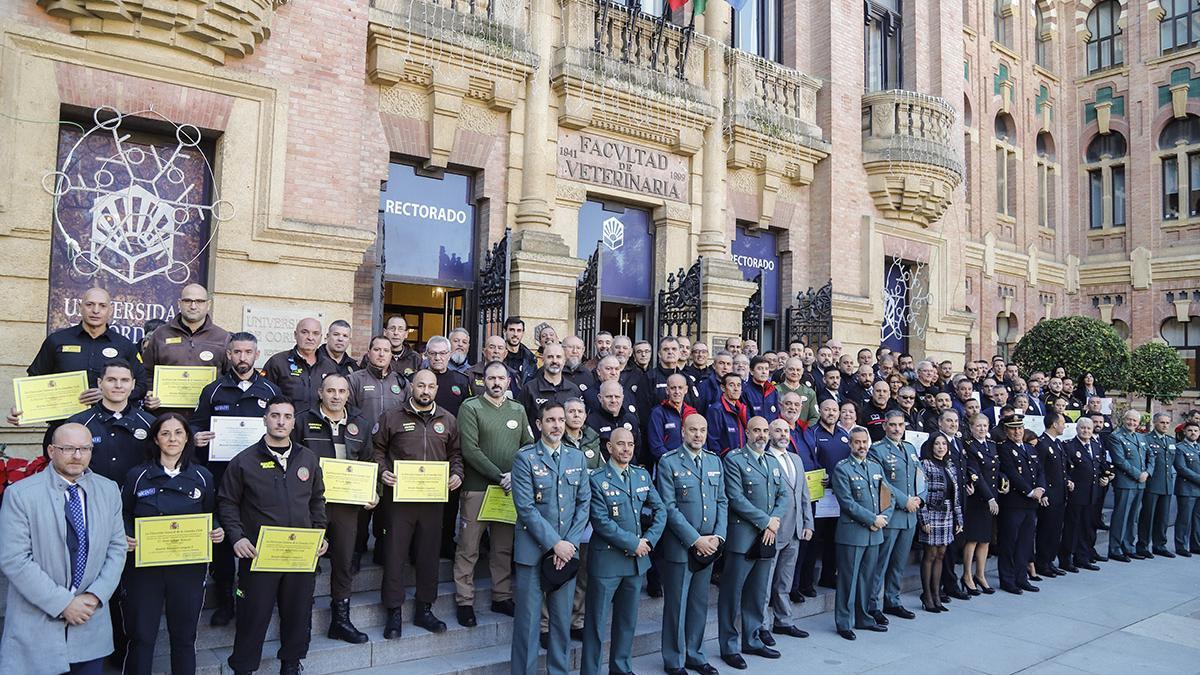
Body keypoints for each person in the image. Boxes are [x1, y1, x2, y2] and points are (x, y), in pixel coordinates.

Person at [0, 423, 127, 675]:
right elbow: (15, 559)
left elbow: (117, 548)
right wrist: (63, 603)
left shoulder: (108, 490)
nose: (77, 456)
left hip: (90, 622)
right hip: (37, 627)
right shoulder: (21, 494)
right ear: (51, 450)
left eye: (84, 448)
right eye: (67, 448)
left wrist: (94, 597)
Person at [218, 396, 328, 675]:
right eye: (275, 415)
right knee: (253, 616)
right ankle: (243, 667)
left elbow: (317, 500)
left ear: (294, 421)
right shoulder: (244, 461)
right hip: (258, 554)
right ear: (265, 419)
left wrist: (319, 535)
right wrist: (237, 537)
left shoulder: (308, 458)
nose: (281, 421)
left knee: (298, 613)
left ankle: (291, 662)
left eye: (287, 416)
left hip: (300, 554)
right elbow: (227, 502)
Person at [189, 332, 281, 627]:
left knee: (256, 534)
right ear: (228, 354)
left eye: (248, 352)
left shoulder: (271, 390)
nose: (243, 357)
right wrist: (196, 438)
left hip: (260, 477)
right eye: (237, 352)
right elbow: (196, 426)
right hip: (221, 476)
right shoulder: (213, 390)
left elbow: (281, 429)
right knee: (226, 542)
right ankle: (226, 601)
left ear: (257, 354)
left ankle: (254, 599)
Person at [121, 413, 224, 675]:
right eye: (165, 433)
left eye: (178, 432)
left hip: (188, 569)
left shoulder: (202, 476)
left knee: (184, 637)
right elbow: (124, 514)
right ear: (155, 438)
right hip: (145, 568)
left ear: (187, 437)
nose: (172, 438)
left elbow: (211, 513)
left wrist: (216, 530)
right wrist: (126, 534)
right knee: (142, 636)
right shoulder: (137, 475)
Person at [373, 370, 463, 637]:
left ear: (436, 389)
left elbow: (456, 454)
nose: (425, 390)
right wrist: (381, 470)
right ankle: (394, 611)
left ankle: (425, 608)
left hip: (433, 500)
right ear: (411, 386)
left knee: (428, 555)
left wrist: (457, 474)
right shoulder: (392, 416)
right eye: (421, 385)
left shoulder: (448, 420)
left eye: (431, 386)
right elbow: (376, 449)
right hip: (399, 499)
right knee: (395, 555)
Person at [290, 374, 374, 644]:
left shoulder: (360, 423)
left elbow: (369, 461)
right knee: (307, 560)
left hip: (348, 505)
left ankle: (340, 620)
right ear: (320, 393)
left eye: (341, 391)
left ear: (349, 394)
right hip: (312, 504)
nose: (336, 396)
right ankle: (300, 620)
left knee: (344, 561)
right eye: (330, 391)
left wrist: (372, 491)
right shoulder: (303, 420)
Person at [510, 402, 590, 675]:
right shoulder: (525, 458)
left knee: (561, 620)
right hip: (533, 551)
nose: (557, 425)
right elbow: (526, 509)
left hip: (567, 552)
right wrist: (556, 543)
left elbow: (584, 504)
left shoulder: (576, 457)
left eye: (560, 419)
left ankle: (559, 671)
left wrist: (569, 544)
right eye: (550, 420)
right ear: (538, 424)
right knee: (528, 621)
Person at [579, 428, 666, 675]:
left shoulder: (641, 476)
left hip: (636, 563)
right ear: (609, 447)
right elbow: (601, 521)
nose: (626, 449)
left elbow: (660, 511)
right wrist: (634, 543)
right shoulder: (596, 479)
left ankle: (621, 668)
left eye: (630, 444)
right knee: (595, 624)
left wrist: (648, 541)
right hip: (607, 563)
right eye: (621, 444)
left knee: (627, 622)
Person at [10, 288, 149, 440]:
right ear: (80, 307)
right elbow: (35, 379)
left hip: (111, 431)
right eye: (90, 304)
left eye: (102, 306)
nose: (96, 310)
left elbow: (141, 385)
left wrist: (108, 395)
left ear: (111, 310)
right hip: (63, 428)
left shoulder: (124, 345)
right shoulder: (57, 341)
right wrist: (24, 409)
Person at [454, 361, 533, 625]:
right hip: (477, 489)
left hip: (509, 491)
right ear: (483, 381)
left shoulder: (518, 410)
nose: (496, 383)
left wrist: (515, 476)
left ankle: (501, 596)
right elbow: (470, 450)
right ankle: (465, 601)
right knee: (469, 547)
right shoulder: (471, 407)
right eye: (491, 378)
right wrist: (500, 476)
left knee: (503, 548)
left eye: (501, 378)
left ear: (509, 382)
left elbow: (528, 446)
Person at [656, 413, 727, 675]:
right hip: (682, 547)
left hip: (709, 545)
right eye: (693, 430)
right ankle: (674, 659)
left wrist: (718, 538)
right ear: (683, 432)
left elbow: (722, 501)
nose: (698, 435)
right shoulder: (668, 462)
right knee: (677, 605)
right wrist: (695, 539)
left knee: (699, 603)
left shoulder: (714, 461)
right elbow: (669, 507)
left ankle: (695, 654)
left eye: (702, 430)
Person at [718, 416, 788, 668]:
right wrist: (766, 521)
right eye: (755, 430)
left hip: (768, 537)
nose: (760, 435)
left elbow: (783, 495)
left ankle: (753, 639)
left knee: (757, 594)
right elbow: (735, 498)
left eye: (764, 431)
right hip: (743, 538)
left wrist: (775, 519)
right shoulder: (734, 460)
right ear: (746, 432)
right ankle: (728, 645)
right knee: (732, 594)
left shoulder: (772, 460)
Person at [831, 426, 891, 641]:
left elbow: (887, 495)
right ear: (850, 444)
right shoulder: (842, 469)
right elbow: (847, 502)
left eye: (864, 442)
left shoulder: (875, 466)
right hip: (852, 533)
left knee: (867, 578)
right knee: (848, 579)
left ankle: (864, 617)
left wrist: (883, 519)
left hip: (875, 534)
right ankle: (844, 622)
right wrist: (872, 519)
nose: (862, 446)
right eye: (857, 442)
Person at [867, 410, 924, 622]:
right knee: (882, 563)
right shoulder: (877, 450)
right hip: (892, 514)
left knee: (899, 563)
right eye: (892, 425)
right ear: (885, 426)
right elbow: (882, 481)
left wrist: (920, 498)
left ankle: (893, 600)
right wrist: (905, 500)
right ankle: (873, 604)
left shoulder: (909, 448)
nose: (897, 429)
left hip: (910, 515)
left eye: (900, 425)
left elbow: (920, 475)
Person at [759, 418, 813, 641]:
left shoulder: (796, 459)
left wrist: (808, 522)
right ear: (770, 434)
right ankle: (761, 625)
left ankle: (783, 621)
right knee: (765, 581)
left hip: (795, 530)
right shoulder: (764, 458)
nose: (783, 434)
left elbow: (804, 495)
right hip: (773, 530)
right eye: (777, 430)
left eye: (785, 430)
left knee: (785, 581)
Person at [66, 359, 155, 486]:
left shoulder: (150, 423)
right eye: (111, 380)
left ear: (133, 384)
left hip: (137, 500)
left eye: (125, 380)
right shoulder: (78, 423)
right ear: (100, 383)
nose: (118, 385)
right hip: (92, 498)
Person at [426, 335, 474, 559]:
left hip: (451, 450)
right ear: (426, 355)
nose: (437, 357)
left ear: (449, 354)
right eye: (433, 353)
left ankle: (446, 542)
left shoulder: (461, 381)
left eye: (442, 353)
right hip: (424, 450)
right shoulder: (417, 380)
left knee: (450, 501)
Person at [140, 283, 230, 380]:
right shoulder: (160, 334)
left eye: (199, 301)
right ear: (179, 303)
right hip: (167, 395)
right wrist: (150, 391)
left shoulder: (223, 338)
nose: (193, 306)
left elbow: (230, 376)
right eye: (188, 301)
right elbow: (146, 372)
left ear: (208, 305)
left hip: (208, 395)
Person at [997, 414, 1045, 594]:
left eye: (1019, 428)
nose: (1017, 431)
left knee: (1025, 543)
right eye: (1013, 428)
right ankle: (1007, 580)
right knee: (1009, 543)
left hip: (1031, 504)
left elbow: (1040, 470)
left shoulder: (1029, 448)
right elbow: (1012, 473)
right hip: (1014, 503)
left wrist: (1041, 488)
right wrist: (1031, 491)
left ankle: (1021, 577)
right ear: (1006, 431)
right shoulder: (1004, 449)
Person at [917, 434, 962, 613]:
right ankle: (927, 595)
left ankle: (937, 595)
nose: (941, 447)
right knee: (930, 554)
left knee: (942, 553)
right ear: (931, 446)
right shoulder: (925, 464)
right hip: (931, 513)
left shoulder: (950, 465)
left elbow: (956, 495)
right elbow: (920, 492)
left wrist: (959, 518)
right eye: (937, 444)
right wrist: (924, 518)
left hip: (947, 513)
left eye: (944, 444)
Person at [263, 317, 339, 414]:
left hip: (320, 426)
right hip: (288, 425)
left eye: (315, 333)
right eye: (305, 332)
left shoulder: (329, 366)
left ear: (321, 337)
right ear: (295, 335)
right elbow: (265, 397)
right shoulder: (277, 362)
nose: (310, 338)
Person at [1107, 410, 1153, 562]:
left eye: (1135, 421)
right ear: (1123, 420)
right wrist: (1138, 474)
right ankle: (1115, 549)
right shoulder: (1116, 437)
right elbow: (1119, 460)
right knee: (1121, 516)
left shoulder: (1141, 437)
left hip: (1140, 483)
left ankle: (1128, 547)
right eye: (1129, 420)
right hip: (1125, 482)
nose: (1132, 423)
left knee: (1132, 517)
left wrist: (1148, 472)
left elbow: (1151, 456)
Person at [1061, 417, 1105, 571]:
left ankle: (1082, 557)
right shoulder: (1069, 446)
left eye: (1088, 428)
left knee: (1087, 527)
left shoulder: (1095, 444)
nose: (1086, 431)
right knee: (1072, 528)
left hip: (1092, 494)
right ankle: (1066, 560)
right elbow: (1064, 468)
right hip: (1076, 494)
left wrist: (1105, 476)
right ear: (1077, 429)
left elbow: (1099, 467)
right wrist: (1068, 481)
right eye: (1083, 428)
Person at [1138, 412, 1178, 558]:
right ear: (1155, 423)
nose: (1165, 425)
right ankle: (1142, 545)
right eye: (1162, 422)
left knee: (1163, 517)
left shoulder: (1171, 441)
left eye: (1167, 423)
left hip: (1167, 484)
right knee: (1148, 516)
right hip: (1152, 483)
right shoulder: (1146, 439)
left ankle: (1159, 545)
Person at [1035, 412, 1070, 577]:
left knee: (1056, 530)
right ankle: (1042, 563)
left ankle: (1050, 561)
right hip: (1049, 495)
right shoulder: (1042, 444)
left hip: (1060, 493)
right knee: (1046, 530)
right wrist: (1043, 493)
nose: (1064, 426)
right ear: (1054, 424)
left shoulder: (1057, 443)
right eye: (1062, 422)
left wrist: (1067, 480)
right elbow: (1039, 470)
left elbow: (1061, 469)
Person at [518, 342, 582, 430]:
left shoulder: (574, 390)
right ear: (543, 360)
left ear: (564, 361)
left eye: (558, 357)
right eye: (550, 357)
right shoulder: (529, 389)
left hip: (567, 443)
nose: (554, 361)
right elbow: (520, 421)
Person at [648, 373, 698, 466]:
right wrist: (674, 463)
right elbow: (656, 446)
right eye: (673, 388)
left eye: (680, 387)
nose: (677, 391)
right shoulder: (658, 413)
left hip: (691, 465)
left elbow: (701, 442)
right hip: (667, 466)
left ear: (686, 390)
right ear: (667, 390)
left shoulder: (692, 413)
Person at [1174, 421, 1200, 555]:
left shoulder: (1199, 447)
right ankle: (1181, 546)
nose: (1193, 433)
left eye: (1196, 430)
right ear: (1184, 432)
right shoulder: (1179, 448)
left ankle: (1196, 545)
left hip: (1198, 490)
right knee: (1184, 519)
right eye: (1190, 430)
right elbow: (1181, 468)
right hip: (1187, 489)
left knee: (1197, 519)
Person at [706, 372, 748, 456]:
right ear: (723, 388)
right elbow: (713, 441)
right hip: (725, 460)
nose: (736, 389)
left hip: (741, 459)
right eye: (731, 385)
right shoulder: (716, 410)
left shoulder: (742, 409)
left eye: (739, 385)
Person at [776, 357, 819, 426]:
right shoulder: (775, 390)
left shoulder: (810, 393)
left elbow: (814, 417)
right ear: (784, 370)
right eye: (791, 369)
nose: (795, 373)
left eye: (798, 370)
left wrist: (804, 431)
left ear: (802, 371)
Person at [502, 316, 538, 385]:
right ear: (505, 331)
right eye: (512, 330)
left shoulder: (530, 359)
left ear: (523, 333)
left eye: (519, 330)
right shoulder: (498, 355)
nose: (515, 334)